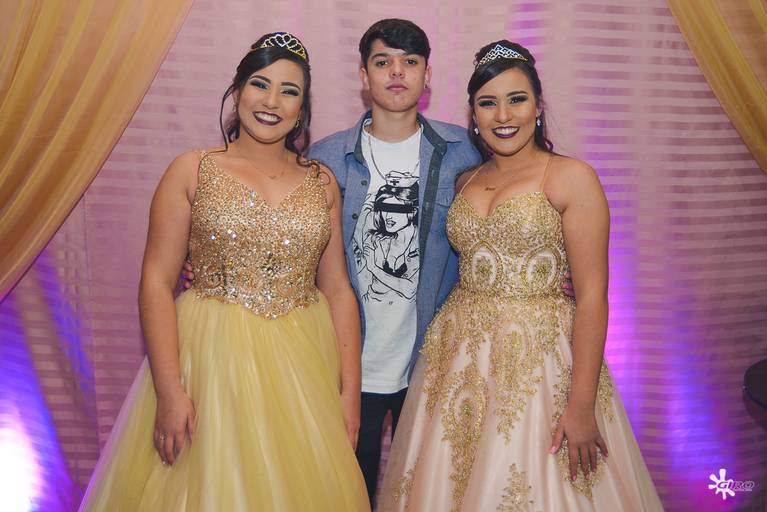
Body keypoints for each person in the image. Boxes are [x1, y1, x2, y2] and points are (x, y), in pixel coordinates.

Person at [79, 32, 369, 511]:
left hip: (303, 371)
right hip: (211, 363)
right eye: (260, 84)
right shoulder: (191, 170)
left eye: (289, 91)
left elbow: (338, 290)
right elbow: (156, 282)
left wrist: (349, 396)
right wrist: (169, 391)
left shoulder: (322, 183)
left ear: (302, 108)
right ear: (237, 91)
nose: (272, 102)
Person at [378, 40, 663, 511]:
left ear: (538, 106)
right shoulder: (466, 179)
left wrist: (581, 404)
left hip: (539, 359)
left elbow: (593, 296)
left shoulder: (571, 176)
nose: (503, 115)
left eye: (517, 99)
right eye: (488, 103)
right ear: (473, 114)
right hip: (457, 356)